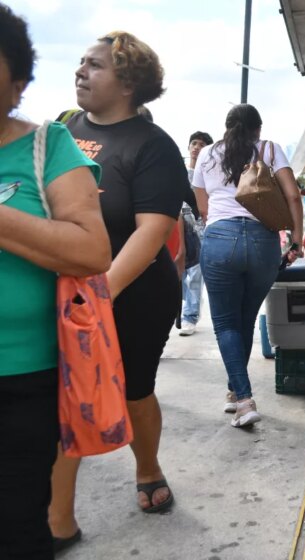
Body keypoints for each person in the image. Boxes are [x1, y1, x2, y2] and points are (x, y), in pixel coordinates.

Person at [49, 31, 187, 546]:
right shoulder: (60, 130)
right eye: (81, 62)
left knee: (133, 389)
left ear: (128, 82)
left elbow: (151, 232)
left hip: (134, 290)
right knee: (59, 393)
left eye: (96, 65)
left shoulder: (153, 147)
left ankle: (147, 466)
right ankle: (57, 514)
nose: (81, 72)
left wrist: (100, 294)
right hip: (65, 285)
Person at [0, 5, 111, 558]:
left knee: (18, 526)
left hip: (23, 382)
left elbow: (92, 250)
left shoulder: (47, 145)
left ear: (17, 82)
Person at [193, 104, 303, 427]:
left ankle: (243, 400)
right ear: (258, 128)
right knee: (244, 318)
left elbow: (204, 208)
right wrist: (295, 240)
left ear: (226, 127)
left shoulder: (206, 155)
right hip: (262, 243)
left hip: (220, 241)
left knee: (226, 324)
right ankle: (234, 390)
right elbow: (293, 196)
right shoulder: (269, 150)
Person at [180, 130, 213, 336]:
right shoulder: (177, 171)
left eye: (201, 144)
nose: (196, 147)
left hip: (199, 227)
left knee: (195, 274)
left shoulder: (209, 174)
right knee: (178, 272)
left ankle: (189, 316)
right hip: (177, 225)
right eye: (194, 143)